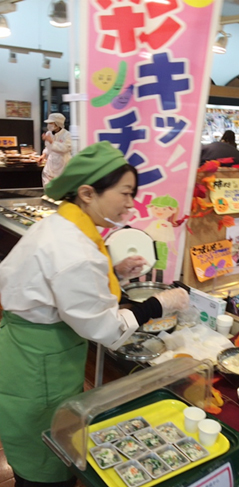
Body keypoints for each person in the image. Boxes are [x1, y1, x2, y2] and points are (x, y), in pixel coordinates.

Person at [0, 141, 189, 487]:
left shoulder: (63, 226)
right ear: (87, 193)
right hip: (39, 365)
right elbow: (103, 328)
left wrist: (115, 273)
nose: (131, 203)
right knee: (43, 459)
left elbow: (60, 288)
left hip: (27, 349)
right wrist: (160, 304)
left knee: (40, 439)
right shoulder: (75, 249)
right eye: (125, 193)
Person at [40, 113, 72, 188]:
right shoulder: (49, 133)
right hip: (51, 162)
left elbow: (65, 148)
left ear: (58, 124)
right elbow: (48, 148)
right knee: (47, 179)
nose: (48, 125)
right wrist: (43, 155)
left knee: (61, 184)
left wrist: (52, 142)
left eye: (51, 123)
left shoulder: (67, 135)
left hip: (62, 162)